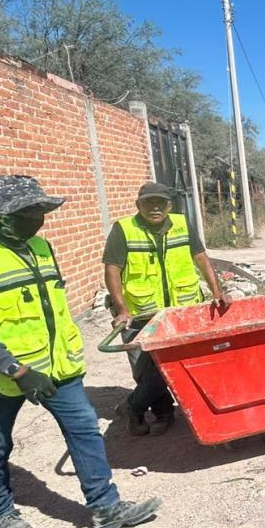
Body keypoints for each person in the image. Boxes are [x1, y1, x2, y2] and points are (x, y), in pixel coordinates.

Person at [0, 175, 161, 528]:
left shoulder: (39, 245)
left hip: (55, 367)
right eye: (30, 212)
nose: (39, 218)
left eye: (41, 210)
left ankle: (106, 507)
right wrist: (18, 370)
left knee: (84, 428)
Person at [102, 182, 227, 436]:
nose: (155, 208)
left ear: (169, 205)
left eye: (161, 203)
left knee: (176, 364)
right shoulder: (124, 229)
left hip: (181, 312)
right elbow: (112, 269)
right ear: (138, 205)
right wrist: (121, 309)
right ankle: (162, 412)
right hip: (141, 314)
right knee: (146, 370)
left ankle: (133, 406)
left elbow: (201, 258)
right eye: (148, 203)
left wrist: (217, 291)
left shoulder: (182, 224)